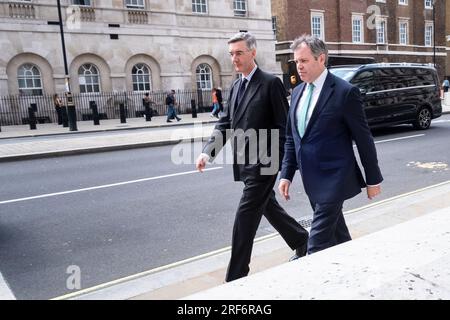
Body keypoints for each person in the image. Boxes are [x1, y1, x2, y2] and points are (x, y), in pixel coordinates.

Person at [196, 32, 309, 282]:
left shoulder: (270, 83)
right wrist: (207, 152)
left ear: (253, 53)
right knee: (267, 207)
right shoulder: (236, 86)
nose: (234, 59)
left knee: (244, 219)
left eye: (239, 53)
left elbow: (284, 127)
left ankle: (235, 277)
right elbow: (225, 123)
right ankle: (302, 240)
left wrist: (278, 163)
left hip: (264, 164)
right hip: (245, 164)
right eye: (232, 54)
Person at [278, 35, 383, 255]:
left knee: (316, 247)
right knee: (338, 237)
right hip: (311, 179)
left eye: (304, 61)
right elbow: (292, 138)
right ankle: (354, 269)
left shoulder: (345, 92)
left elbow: (364, 139)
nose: (299, 66)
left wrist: (372, 179)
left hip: (335, 179)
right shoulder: (297, 92)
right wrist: (286, 174)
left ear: (321, 59)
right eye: (297, 62)